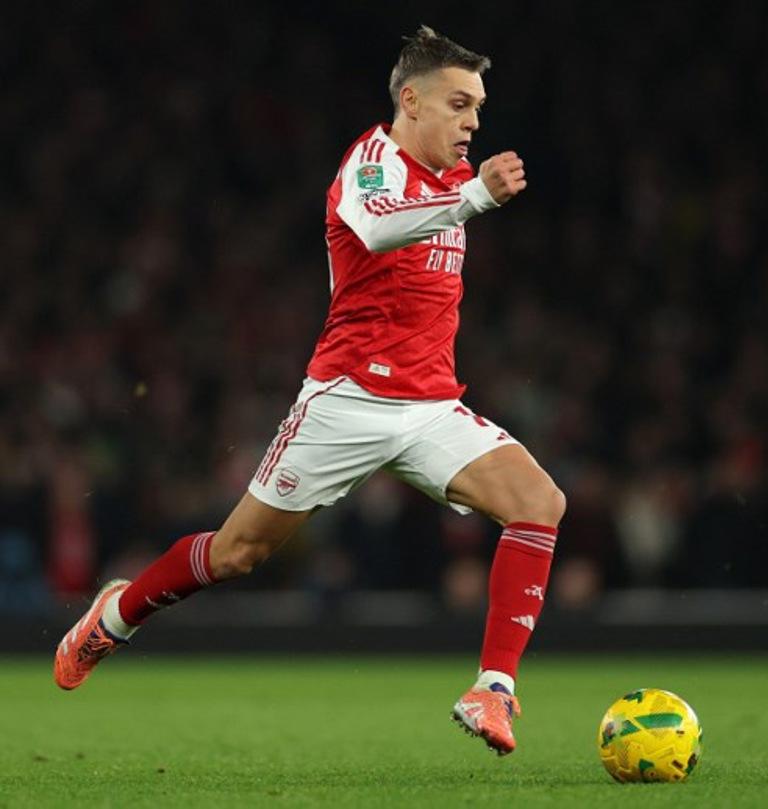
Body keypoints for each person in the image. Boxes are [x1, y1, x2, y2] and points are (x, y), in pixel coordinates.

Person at [54, 26, 565, 757]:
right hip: (346, 400)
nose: (474, 123)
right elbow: (374, 227)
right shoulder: (372, 162)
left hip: (429, 408)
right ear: (410, 100)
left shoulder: (455, 180)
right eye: (459, 104)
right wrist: (476, 199)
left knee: (540, 502)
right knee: (236, 555)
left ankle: (494, 688)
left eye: (478, 108)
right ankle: (117, 613)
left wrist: (468, 193)